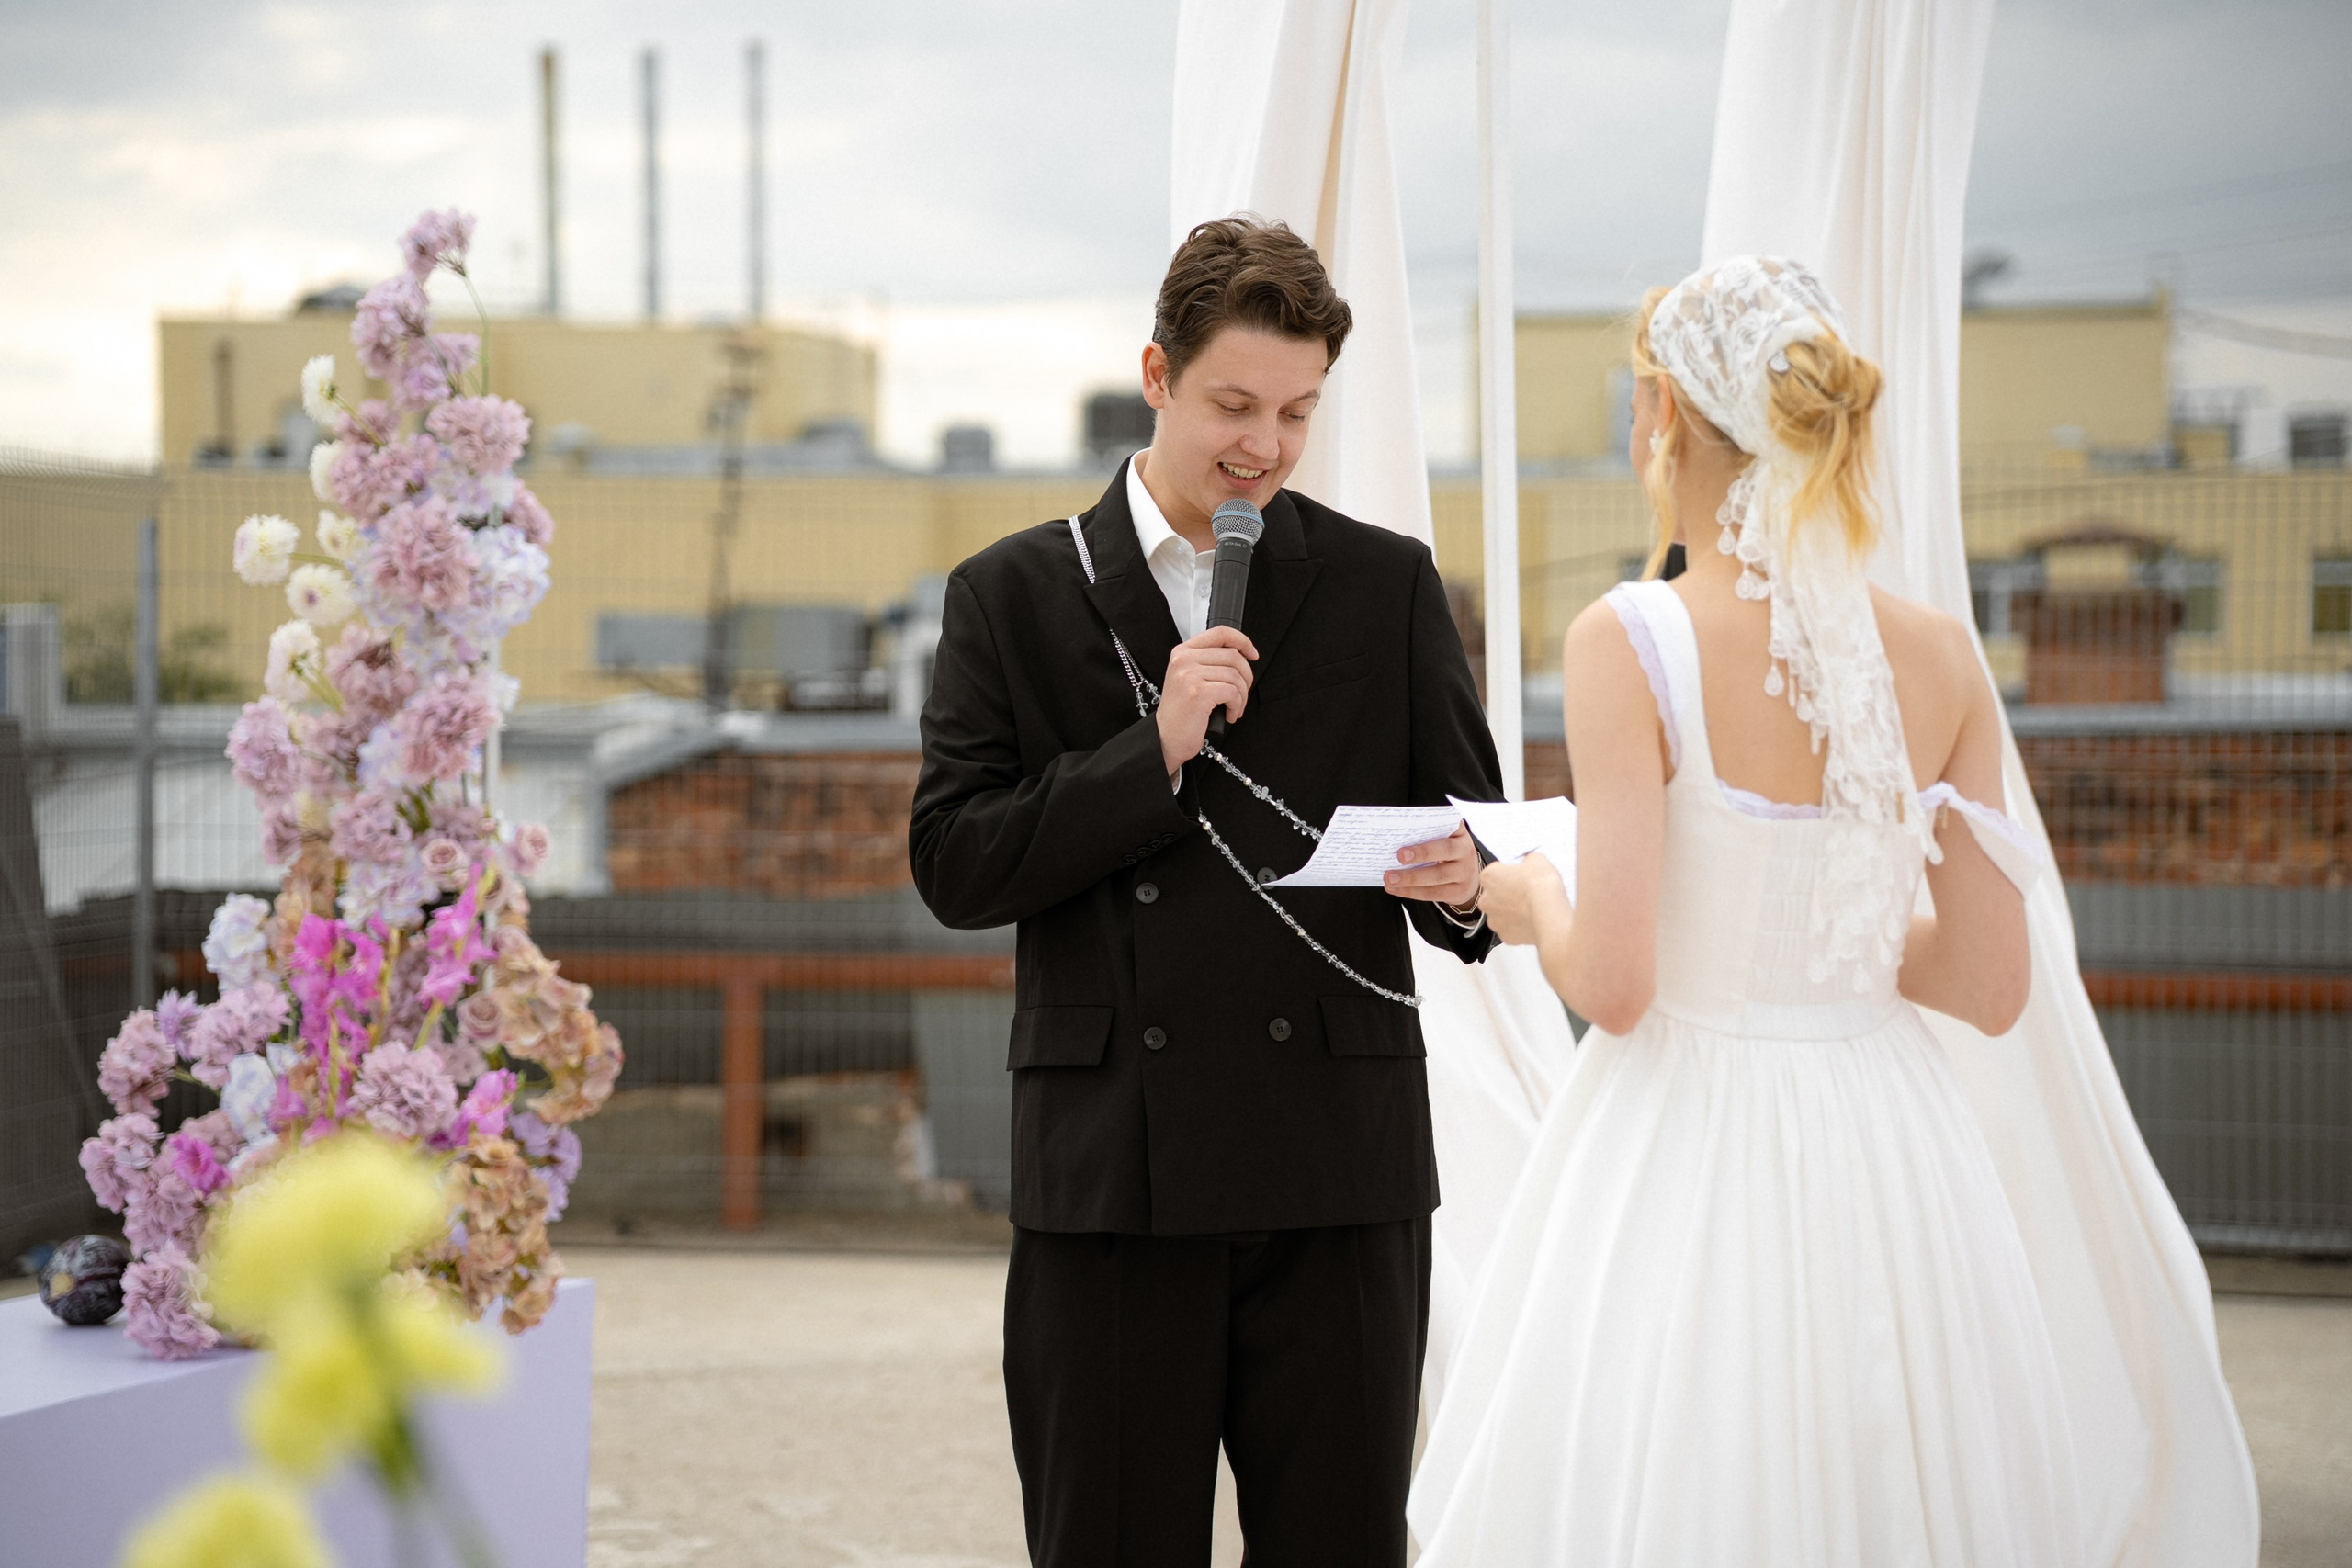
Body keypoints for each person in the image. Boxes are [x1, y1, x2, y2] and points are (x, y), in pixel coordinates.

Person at [1407, 257, 2084, 1566]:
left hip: (1689, 1140)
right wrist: (1820, 930)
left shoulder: (1632, 637)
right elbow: (1992, 987)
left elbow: (1615, 981)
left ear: (1661, 410)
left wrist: (1525, 891)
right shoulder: (1943, 654)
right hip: (1894, 1151)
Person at [910, 215, 1504, 1568]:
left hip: (1339, 1178)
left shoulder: (1384, 585)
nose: (1267, 446)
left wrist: (1469, 883)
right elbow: (953, 861)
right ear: (1158, 376)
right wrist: (1150, 755)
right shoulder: (1010, 594)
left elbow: (1462, 863)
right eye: (1235, 404)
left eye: (1298, 412)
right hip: (1115, 1185)